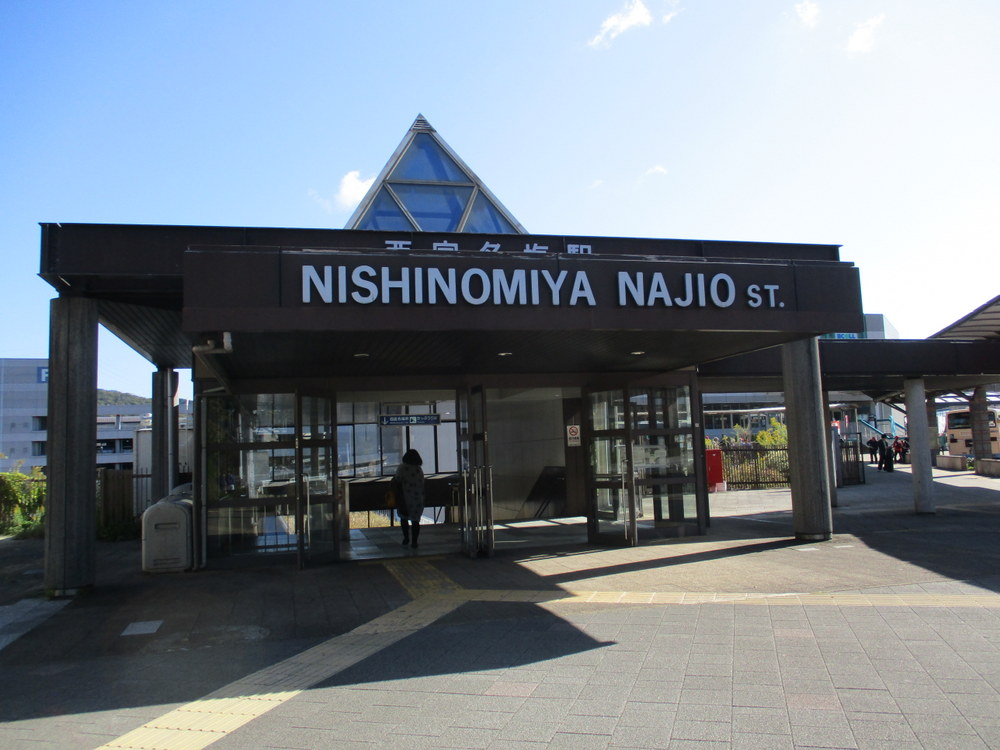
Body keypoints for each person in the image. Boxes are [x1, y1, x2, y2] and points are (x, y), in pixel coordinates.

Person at [394, 449, 425, 548]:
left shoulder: (402, 468)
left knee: (404, 518)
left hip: (405, 498)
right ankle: (414, 541)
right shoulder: (419, 469)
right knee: (415, 521)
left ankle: (406, 538)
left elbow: (397, 480)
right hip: (418, 499)